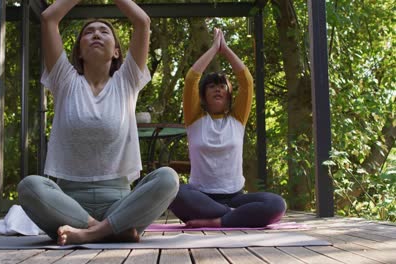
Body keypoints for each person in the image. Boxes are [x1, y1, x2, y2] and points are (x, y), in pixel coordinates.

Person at [17, 0, 179, 245]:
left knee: (168, 179)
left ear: (116, 51)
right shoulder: (64, 80)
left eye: (104, 32)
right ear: (79, 52)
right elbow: (49, 18)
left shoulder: (127, 81)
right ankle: (110, 230)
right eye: (88, 32)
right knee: (29, 187)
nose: (96, 34)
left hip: (121, 203)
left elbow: (142, 22)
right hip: (69, 205)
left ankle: (90, 234)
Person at [169, 28, 286, 228]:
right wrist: (214, 49)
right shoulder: (195, 119)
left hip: (234, 198)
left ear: (229, 95)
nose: (217, 88)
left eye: (222, 85)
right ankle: (237, 217)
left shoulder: (237, 119)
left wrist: (226, 49)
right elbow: (191, 80)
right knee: (174, 192)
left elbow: (246, 82)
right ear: (203, 95)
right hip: (201, 198)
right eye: (212, 86)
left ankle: (219, 221)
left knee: (276, 204)